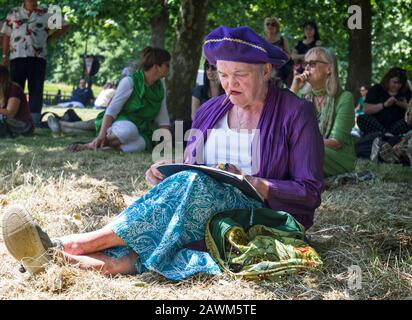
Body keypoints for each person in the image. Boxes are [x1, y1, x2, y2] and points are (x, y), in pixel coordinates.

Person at [2, 26, 324, 280]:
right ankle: (75, 261)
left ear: (266, 70)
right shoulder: (211, 110)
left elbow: (308, 192)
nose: (229, 85)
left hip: (254, 213)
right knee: (184, 186)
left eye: (239, 75)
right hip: (197, 206)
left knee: (194, 188)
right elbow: (194, 167)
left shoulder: (296, 114)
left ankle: (71, 244)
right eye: (222, 75)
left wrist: (261, 184)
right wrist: (168, 171)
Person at [50, 47, 172, 153]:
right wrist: (102, 134)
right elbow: (112, 110)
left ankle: (89, 145)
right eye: (167, 64)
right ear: (157, 67)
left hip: (142, 129)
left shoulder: (160, 86)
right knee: (129, 130)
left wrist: (167, 144)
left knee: (141, 145)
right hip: (120, 123)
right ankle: (66, 127)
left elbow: (163, 116)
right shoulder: (130, 82)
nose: (169, 67)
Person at [1, 0, 70, 127]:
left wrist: (50, 37)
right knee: (15, 88)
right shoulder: (14, 13)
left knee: (36, 88)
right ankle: (14, 118)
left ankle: (34, 120)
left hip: (38, 57)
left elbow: (65, 25)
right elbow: (6, 34)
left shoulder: (46, 13)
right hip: (17, 56)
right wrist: (4, 55)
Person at [290, 47, 356, 177]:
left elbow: (336, 142)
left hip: (336, 156)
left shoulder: (344, 98)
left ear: (329, 69)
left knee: (300, 149)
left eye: (312, 64)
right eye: (306, 64)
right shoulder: (302, 97)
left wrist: (302, 141)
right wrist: (294, 87)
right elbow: (281, 121)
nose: (307, 68)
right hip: (306, 149)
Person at [357, 67, 412, 137]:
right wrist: (384, 105)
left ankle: (387, 135)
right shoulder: (376, 89)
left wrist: (404, 105)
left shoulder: (406, 92)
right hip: (377, 125)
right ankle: (387, 135)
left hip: (398, 126)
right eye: (394, 82)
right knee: (361, 118)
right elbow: (366, 110)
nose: (397, 86)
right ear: (388, 80)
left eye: (400, 83)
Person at [0, 65, 33, 136]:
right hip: (7, 123)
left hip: (23, 125)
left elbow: (11, 113)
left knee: (2, 118)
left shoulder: (14, 89)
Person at [264, 17, 293, 87]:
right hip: (265, 71)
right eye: (268, 24)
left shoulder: (282, 40)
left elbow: (289, 56)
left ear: (277, 27)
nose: (270, 26)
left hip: (280, 72)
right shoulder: (261, 40)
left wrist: (280, 56)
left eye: (273, 24)